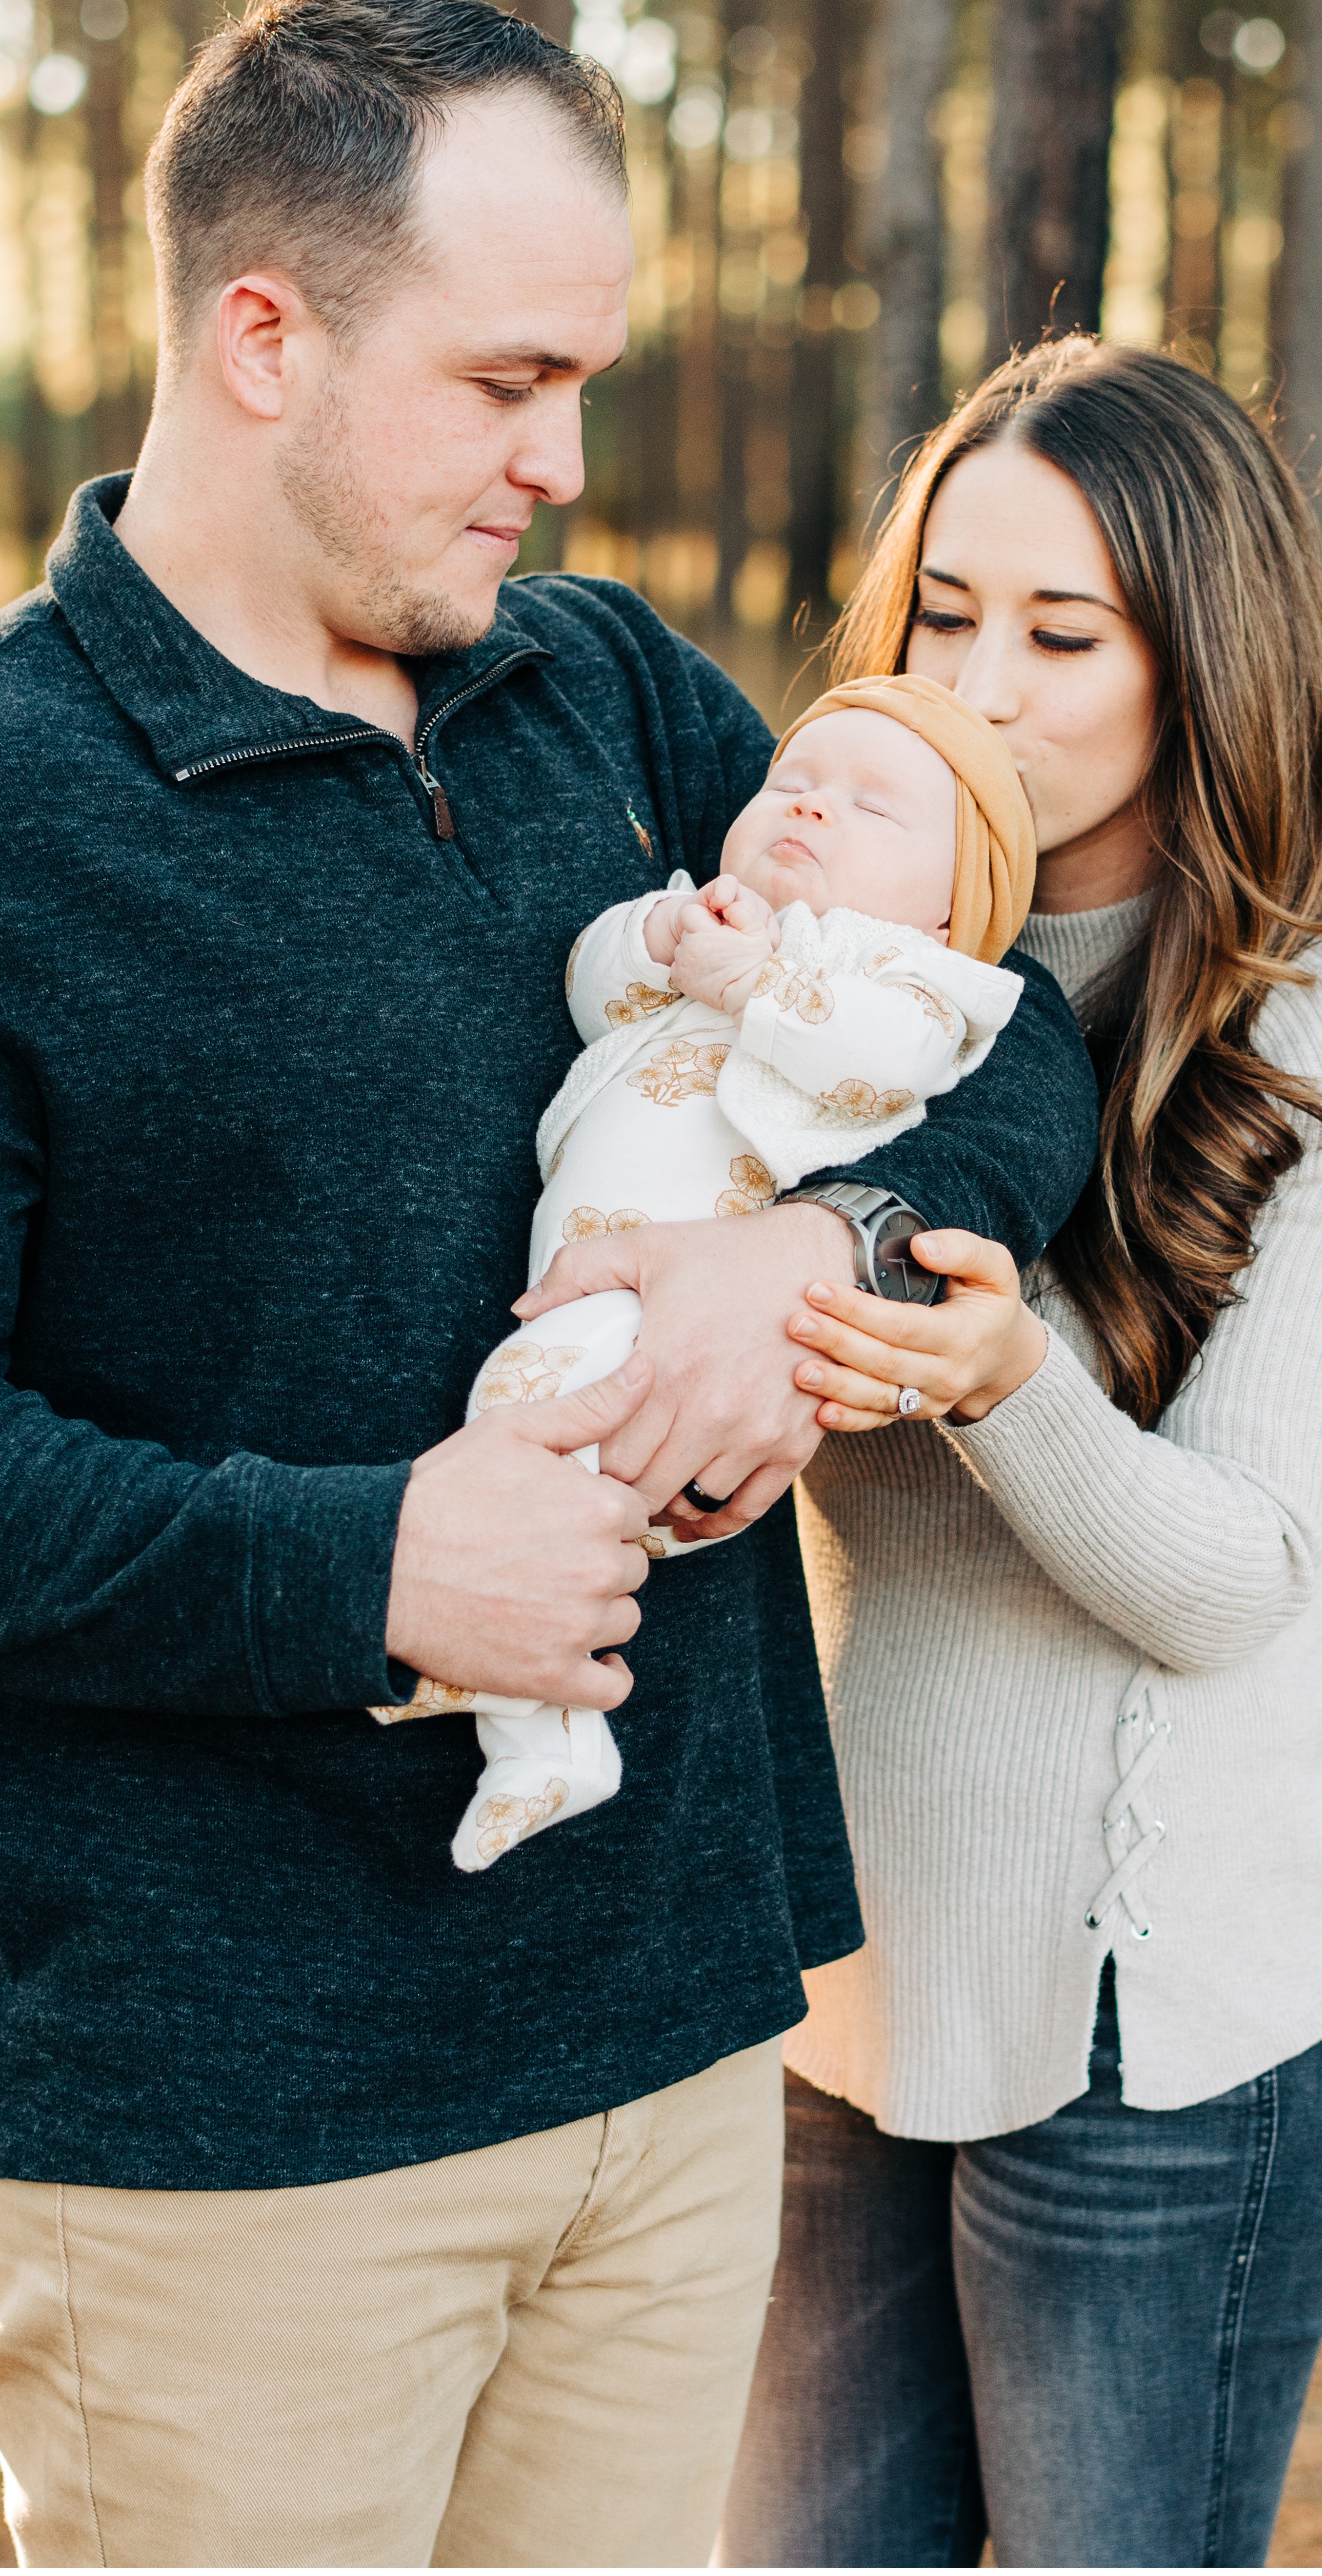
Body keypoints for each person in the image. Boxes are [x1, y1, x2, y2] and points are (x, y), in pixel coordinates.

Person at [0, 0, 1097, 2571]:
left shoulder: (608, 691)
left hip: (666, 2063)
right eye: (509, 379)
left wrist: (812, 1246)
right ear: (266, 334)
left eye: (589, 379)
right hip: (233, 2150)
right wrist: (370, 1568)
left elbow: (993, 1046)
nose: (565, 459)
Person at [716, 340, 1322, 2571]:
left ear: (1201, 657)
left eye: (1061, 637)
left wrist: (1001, 1380)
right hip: (843, 1993)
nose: (983, 682)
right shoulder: (820, 967)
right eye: (940, 614)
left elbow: (1223, 1575)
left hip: (1172, 2030)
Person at [379, 677, 1037, 1876]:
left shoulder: (917, 979)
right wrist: (658, 938)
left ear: (956, 909)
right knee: (535, 1462)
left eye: (871, 809)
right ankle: (528, 1703)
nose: (814, 811)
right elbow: (594, 994)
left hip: (678, 1327)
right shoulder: (721, 919)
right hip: (606, 1300)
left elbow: (871, 1057)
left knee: (515, 1447)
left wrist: (752, 982)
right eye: (792, 783)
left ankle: (526, 1711)